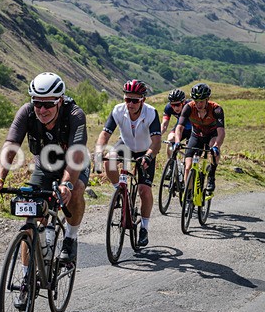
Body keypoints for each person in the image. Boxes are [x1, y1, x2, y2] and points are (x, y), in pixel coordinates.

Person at [0, 72, 89, 269]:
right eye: (37, 103)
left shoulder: (74, 115)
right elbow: (11, 145)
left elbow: (76, 156)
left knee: (76, 190)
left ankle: (70, 239)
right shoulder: (27, 112)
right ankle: (25, 278)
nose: (42, 109)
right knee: (31, 217)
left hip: (74, 165)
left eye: (48, 104)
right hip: (44, 166)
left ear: (60, 101)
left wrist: (66, 184)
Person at [94, 79, 162, 247]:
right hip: (125, 146)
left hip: (146, 150)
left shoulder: (151, 113)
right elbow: (105, 134)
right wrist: (97, 152)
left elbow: (157, 142)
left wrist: (148, 157)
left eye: (134, 100)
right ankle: (120, 192)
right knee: (109, 161)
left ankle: (144, 227)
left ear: (143, 100)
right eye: (127, 99)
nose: (130, 104)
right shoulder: (118, 110)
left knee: (144, 190)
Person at [174, 83, 225, 193]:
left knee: (213, 149)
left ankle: (211, 174)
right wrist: (177, 141)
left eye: (201, 101)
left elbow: (221, 132)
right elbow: (179, 127)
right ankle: (188, 194)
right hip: (196, 135)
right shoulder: (188, 107)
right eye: (196, 101)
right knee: (188, 167)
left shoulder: (216, 109)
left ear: (207, 99)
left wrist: (217, 146)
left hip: (212, 135)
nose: (198, 104)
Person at [160, 89, 192, 162]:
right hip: (180, 128)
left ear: (183, 102)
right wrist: (158, 135)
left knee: (190, 148)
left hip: (193, 129)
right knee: (170, 140)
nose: (175, 108)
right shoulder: (168, 108)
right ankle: (170, 162)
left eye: (178, 105)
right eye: (173, 105)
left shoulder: (190, 105)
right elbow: (164, 124)